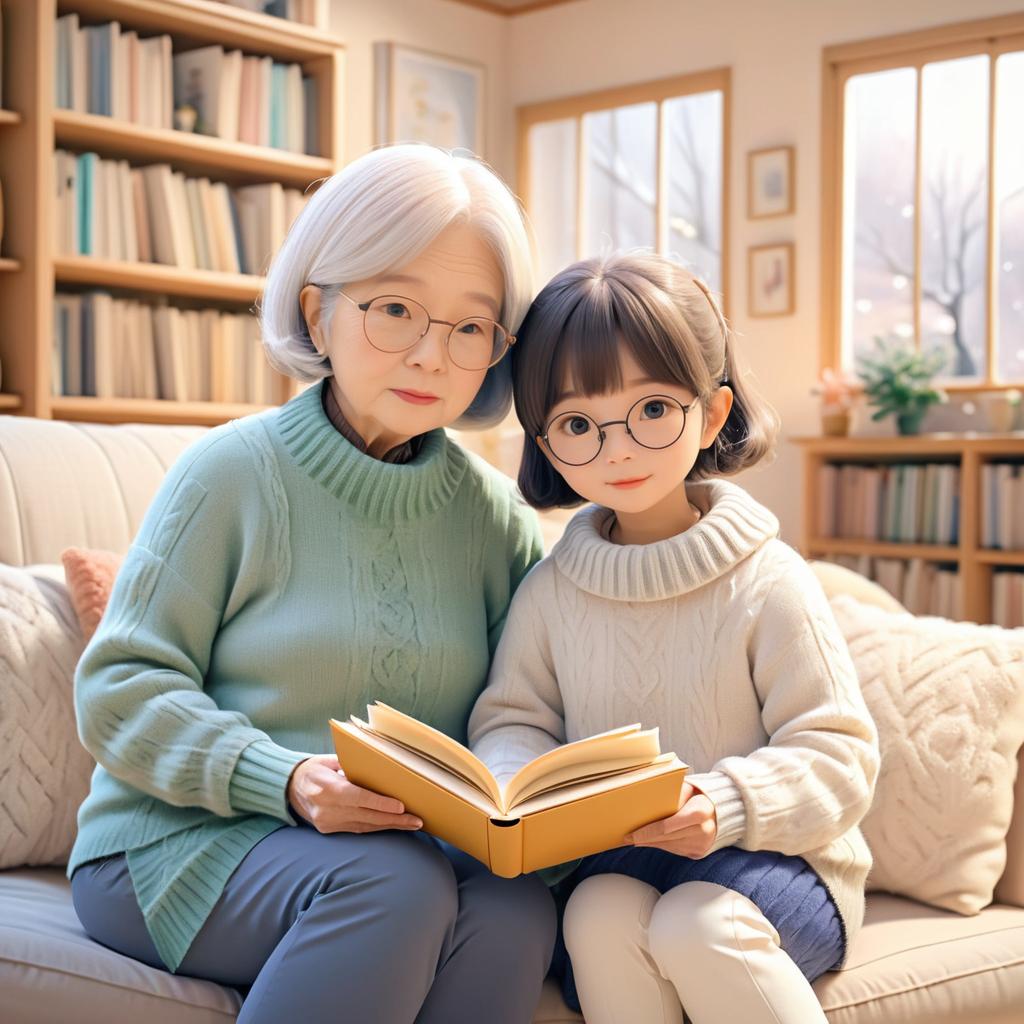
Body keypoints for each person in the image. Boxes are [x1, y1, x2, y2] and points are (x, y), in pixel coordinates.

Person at [68, 143, 556, 1024]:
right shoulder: (229, 474)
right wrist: (287, 779)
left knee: (516, 909)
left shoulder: (496, 519)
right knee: (394, 884)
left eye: (470, 327)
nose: (431, 355)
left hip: (396, 855)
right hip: (180, 841)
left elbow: (533, 707)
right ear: (316, 310)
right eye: (396, 308)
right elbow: (117, 689)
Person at [469, 249, 880, 1024]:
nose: (618, 449)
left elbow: (841, 755)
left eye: (653, 409)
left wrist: (721, 803)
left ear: (713, 413)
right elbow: (513, 721)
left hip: (776, 865)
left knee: (699, 921)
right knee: (595, 912)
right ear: (545, 444)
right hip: (619, 863)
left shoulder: (769, 580)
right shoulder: (552, 592)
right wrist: (515, 790)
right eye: (579, 424)